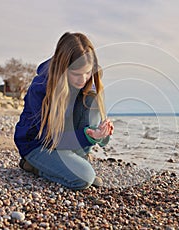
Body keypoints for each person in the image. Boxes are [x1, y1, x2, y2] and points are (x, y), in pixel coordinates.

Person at [14, 32, 114, 190]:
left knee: (92, 97)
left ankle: (77, 161)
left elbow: (93, 132)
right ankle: (34, 166)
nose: (83, 80)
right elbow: (50, 139)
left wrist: (101, 136)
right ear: (63, 68)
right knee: (84, 178)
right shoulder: (40, 88)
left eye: (87, 73)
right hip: (39, 144)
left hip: (66, 140)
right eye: (76, 74)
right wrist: (87, 136)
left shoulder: (88, 83)